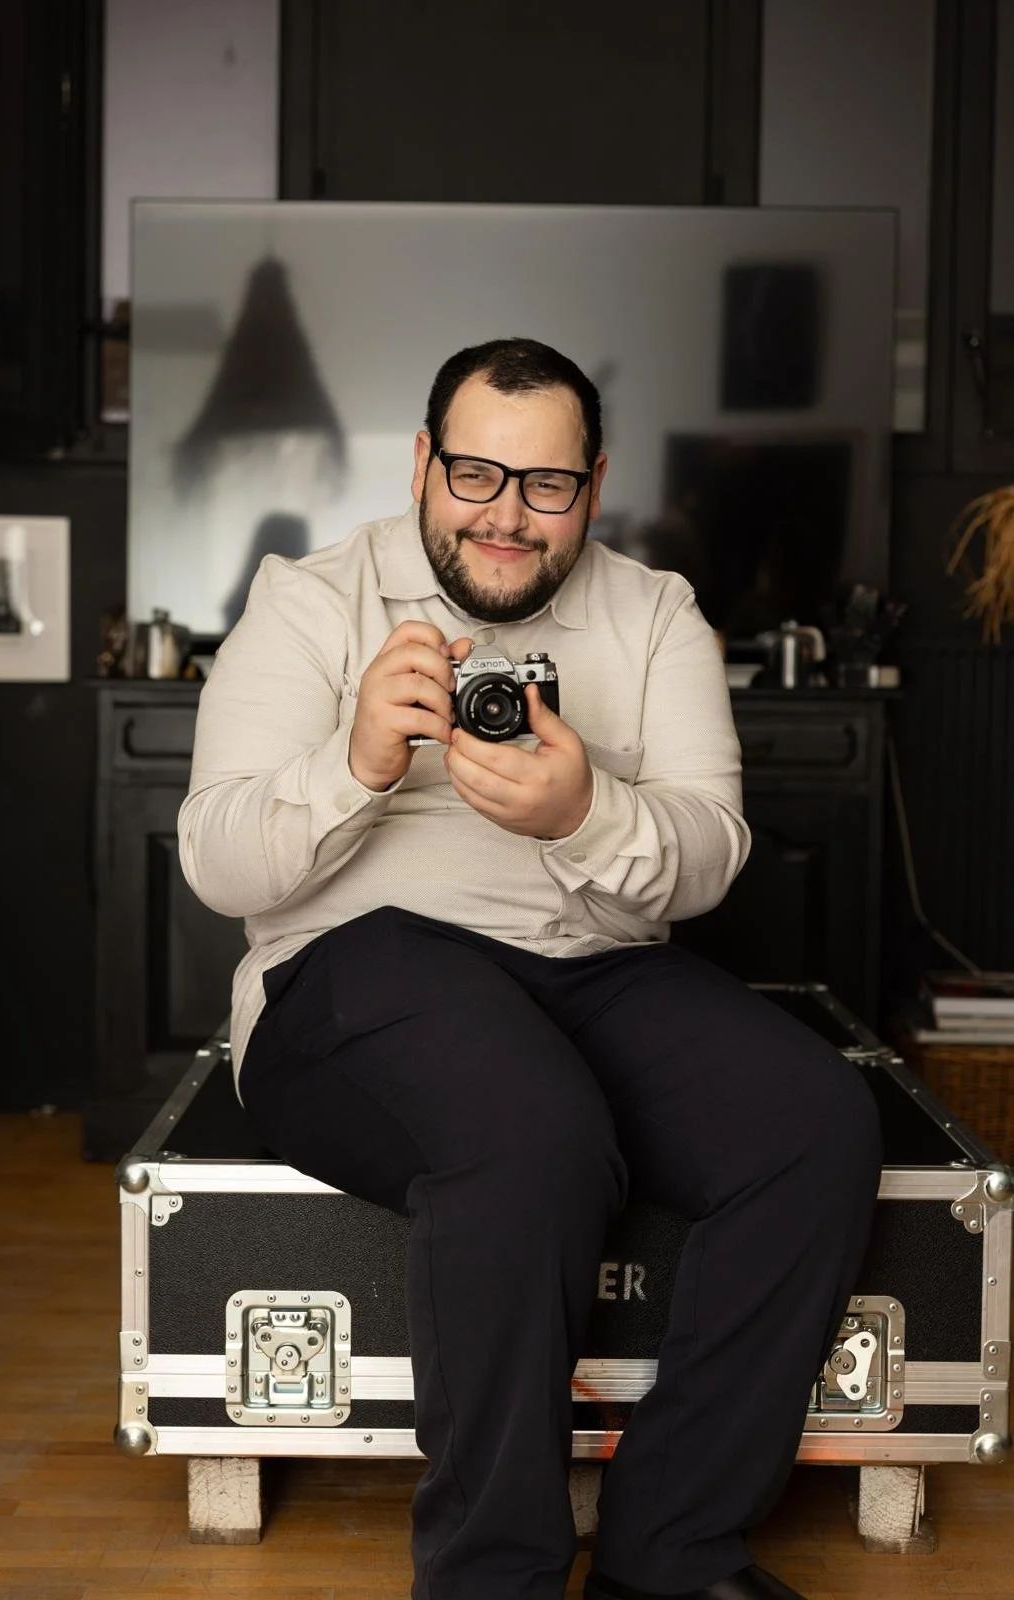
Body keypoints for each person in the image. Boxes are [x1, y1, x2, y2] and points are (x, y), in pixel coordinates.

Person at [179, 338, 883, 1600]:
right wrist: (352, 765)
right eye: (474, 474)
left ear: (592, 485)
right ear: (421, 464)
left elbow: (709, 853)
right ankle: (489, 1578)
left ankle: (668, 1551)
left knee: (816, 1121)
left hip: (586, 960)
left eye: (544, 485)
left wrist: (582, 814)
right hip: (354, 970)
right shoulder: (310, 601)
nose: (504, 515)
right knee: (528, 1129)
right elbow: (219, 864)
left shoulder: (653, 611)